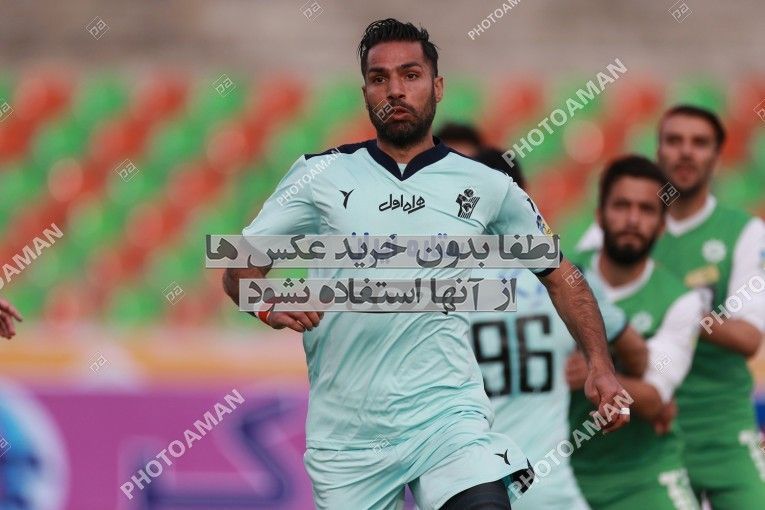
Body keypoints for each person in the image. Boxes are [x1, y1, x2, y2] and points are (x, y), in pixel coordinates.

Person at [223, 19, 629, 510]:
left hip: (447, 421)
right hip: (347, 438)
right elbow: (239, 268)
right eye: (379, 78)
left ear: (437, 87)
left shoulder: (487, 186)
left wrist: (600, 365)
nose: (395, 90)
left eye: (410, 75)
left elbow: (562, 277)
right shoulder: (319, 175)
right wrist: (266, 301)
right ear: (365, 93)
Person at [470, 148, 648, 509]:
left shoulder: (440, 288)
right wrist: (600, 364)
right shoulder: (565, 283)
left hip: (472, 489)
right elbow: (638, 354)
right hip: (551, 492)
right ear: (522, 200)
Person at [567, 155, 705, 509]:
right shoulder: (559, 279)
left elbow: (655, 397)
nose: (632, 219)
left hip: (645, 476)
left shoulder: (681, 301)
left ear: (661, 225)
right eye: (621, 206)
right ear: (599, 215)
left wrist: (594, 371)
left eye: (646, 210)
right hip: (562, 476)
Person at [650, 105, 765, 508]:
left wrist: (678, 312)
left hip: (723, 430)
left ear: (717, 156)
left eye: (699, 143)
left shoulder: (746, 233)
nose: (686, 152)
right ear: (658, 151)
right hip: (649, 431)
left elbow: (749, 337)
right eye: (674, 140)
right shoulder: (620, 233)